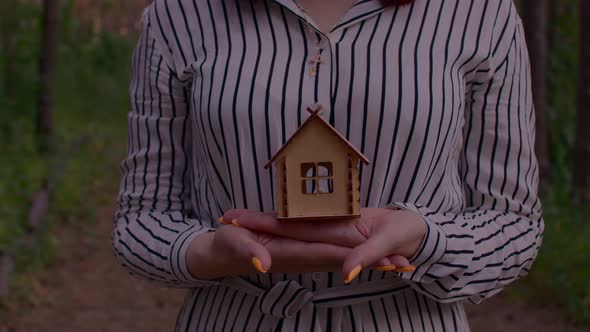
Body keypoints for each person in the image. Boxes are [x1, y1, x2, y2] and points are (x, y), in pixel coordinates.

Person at [112, 0, 544, 330]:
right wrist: (209, 253)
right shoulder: (179, 15)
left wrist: (424, 239)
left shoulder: (481, 13)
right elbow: (141, 221)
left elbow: (513, 225)